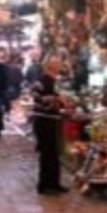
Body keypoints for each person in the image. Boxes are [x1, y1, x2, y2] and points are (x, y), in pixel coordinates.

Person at [31, 59, 68, 194]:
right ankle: (47, 185)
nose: (60, 69)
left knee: (50, 154)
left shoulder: (41, 81)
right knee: (49, 153)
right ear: (52, 68)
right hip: (47, 121)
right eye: (58, 66)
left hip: (43, 121)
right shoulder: (47, 82)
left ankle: (52, 183)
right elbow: (47, 102)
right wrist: (60, 101)